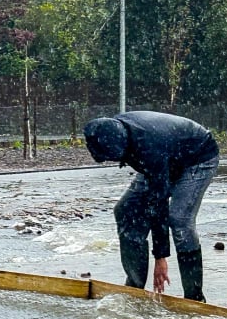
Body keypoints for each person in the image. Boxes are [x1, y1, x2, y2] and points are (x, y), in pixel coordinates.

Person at [83, 111, 219, 302]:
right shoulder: (109, 130)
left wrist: (160, 258)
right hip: (165, 156)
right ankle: (135, 285)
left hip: (197, 157)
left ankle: (194, 296)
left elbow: (158, 204)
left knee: (179, 220)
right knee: (125, 210)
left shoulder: (149, 149)